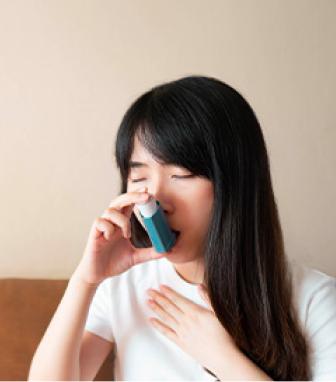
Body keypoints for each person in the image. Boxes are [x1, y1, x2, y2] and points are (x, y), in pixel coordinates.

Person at [28, 75, 336, 381]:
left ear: (235, 183)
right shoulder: (123, 286)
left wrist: (224, 359)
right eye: (139, 178)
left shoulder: (314, 300)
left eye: (182, 174)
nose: (157, 199)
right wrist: (85, 280)